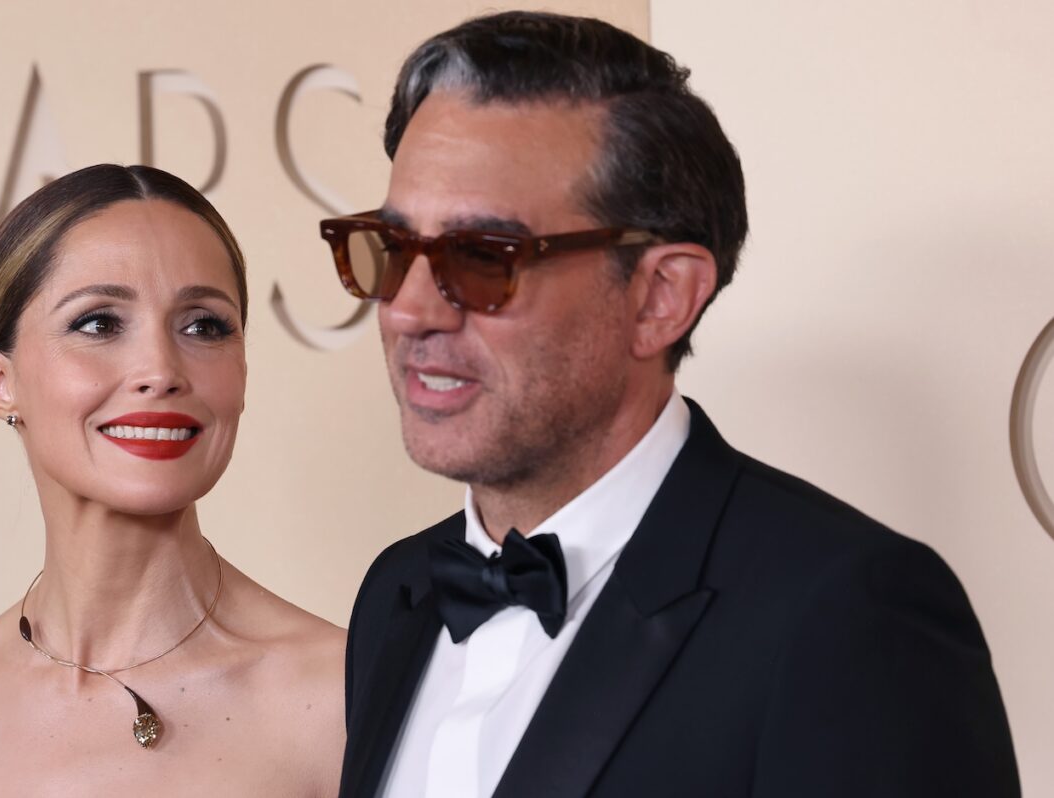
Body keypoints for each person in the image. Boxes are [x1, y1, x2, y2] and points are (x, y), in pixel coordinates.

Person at [327, 12, 1020, 798]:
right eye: (393, 248)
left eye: (484, 258)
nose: (411, 310)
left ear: (661, 297)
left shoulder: (847, 617)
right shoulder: (398, 591)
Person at [0, 164, 344, 796]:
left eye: (204, 325)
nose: (160, 369)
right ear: (3, 385)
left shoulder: (344, 696)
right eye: (99, 323)